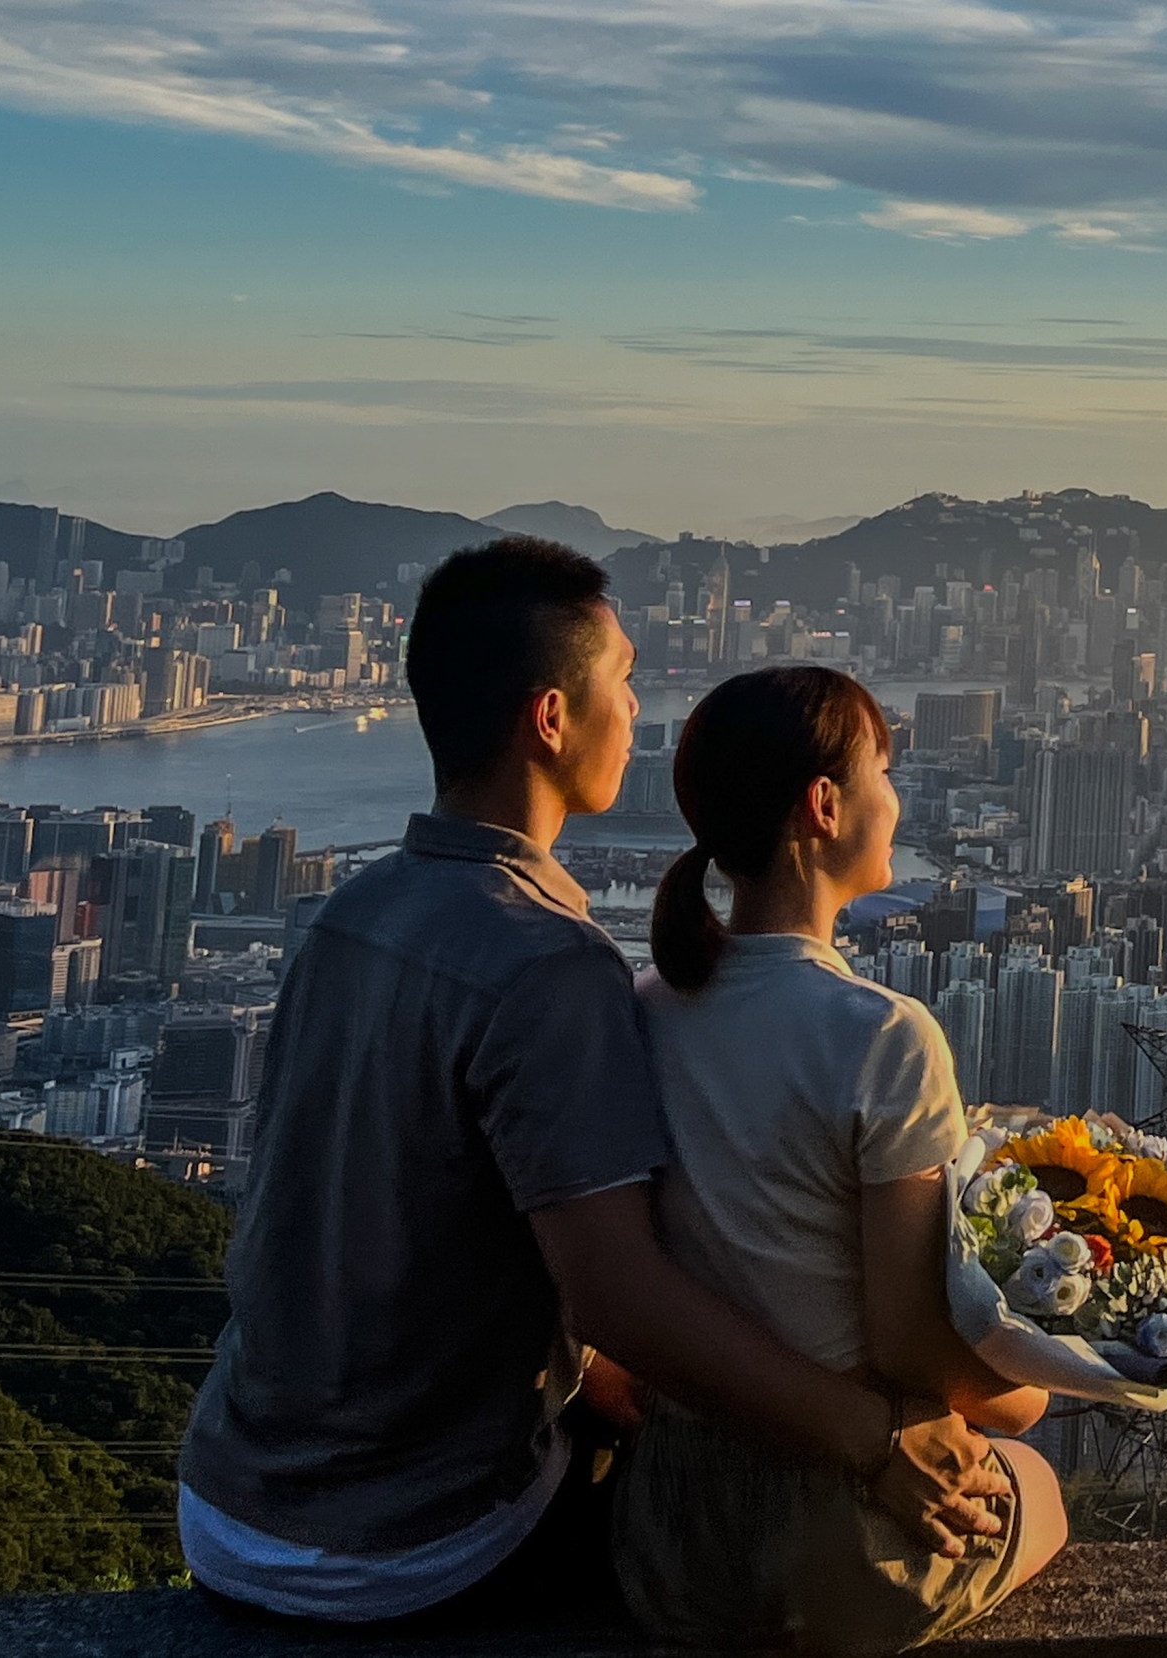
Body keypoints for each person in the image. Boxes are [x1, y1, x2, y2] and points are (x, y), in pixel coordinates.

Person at [176, 539, 1009, 1628]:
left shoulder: (348, 914)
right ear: (552, 718)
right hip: (412, 1543)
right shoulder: (549, 964)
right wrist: (875, 1440)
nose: (636, 708)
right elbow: (619, 1299)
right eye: (622, 682)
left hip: (227, 1501)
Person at [612, 664, 1144, 1650]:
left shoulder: (645, 1006)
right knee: (1038, 1487)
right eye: (885, 772)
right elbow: (907, 1345)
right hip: (827, 1533)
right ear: (823, 805)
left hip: (665, 1531)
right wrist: (1037, 1391)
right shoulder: (880, 1033)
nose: (900, 799)